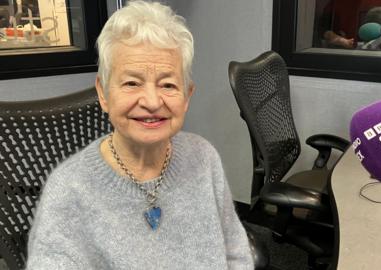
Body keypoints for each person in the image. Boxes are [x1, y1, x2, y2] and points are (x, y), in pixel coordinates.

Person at [25, 1, 254, 269]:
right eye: (132, 83)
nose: (152, 101)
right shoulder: (69, 190)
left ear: (187, 96)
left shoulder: (204, 157)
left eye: (168, 84)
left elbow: (236, 253)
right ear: (103, 93)